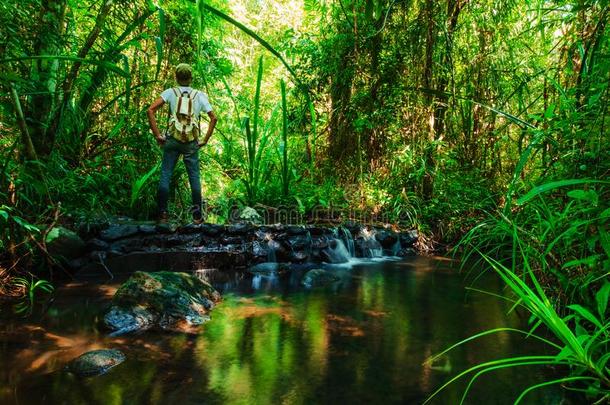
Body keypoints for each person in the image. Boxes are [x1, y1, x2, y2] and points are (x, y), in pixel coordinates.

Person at [147, 63, 217, 224]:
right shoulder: (199, 95)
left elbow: (150, 110)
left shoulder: (170, 93)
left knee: (166, 174)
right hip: (191, 141)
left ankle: (163, 215)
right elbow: (214, 117)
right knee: (194, 177)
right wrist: (205, 139)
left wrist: (158, 135)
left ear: (176, 77)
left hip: (172, 139)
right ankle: (197, 216)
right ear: (191, 78)